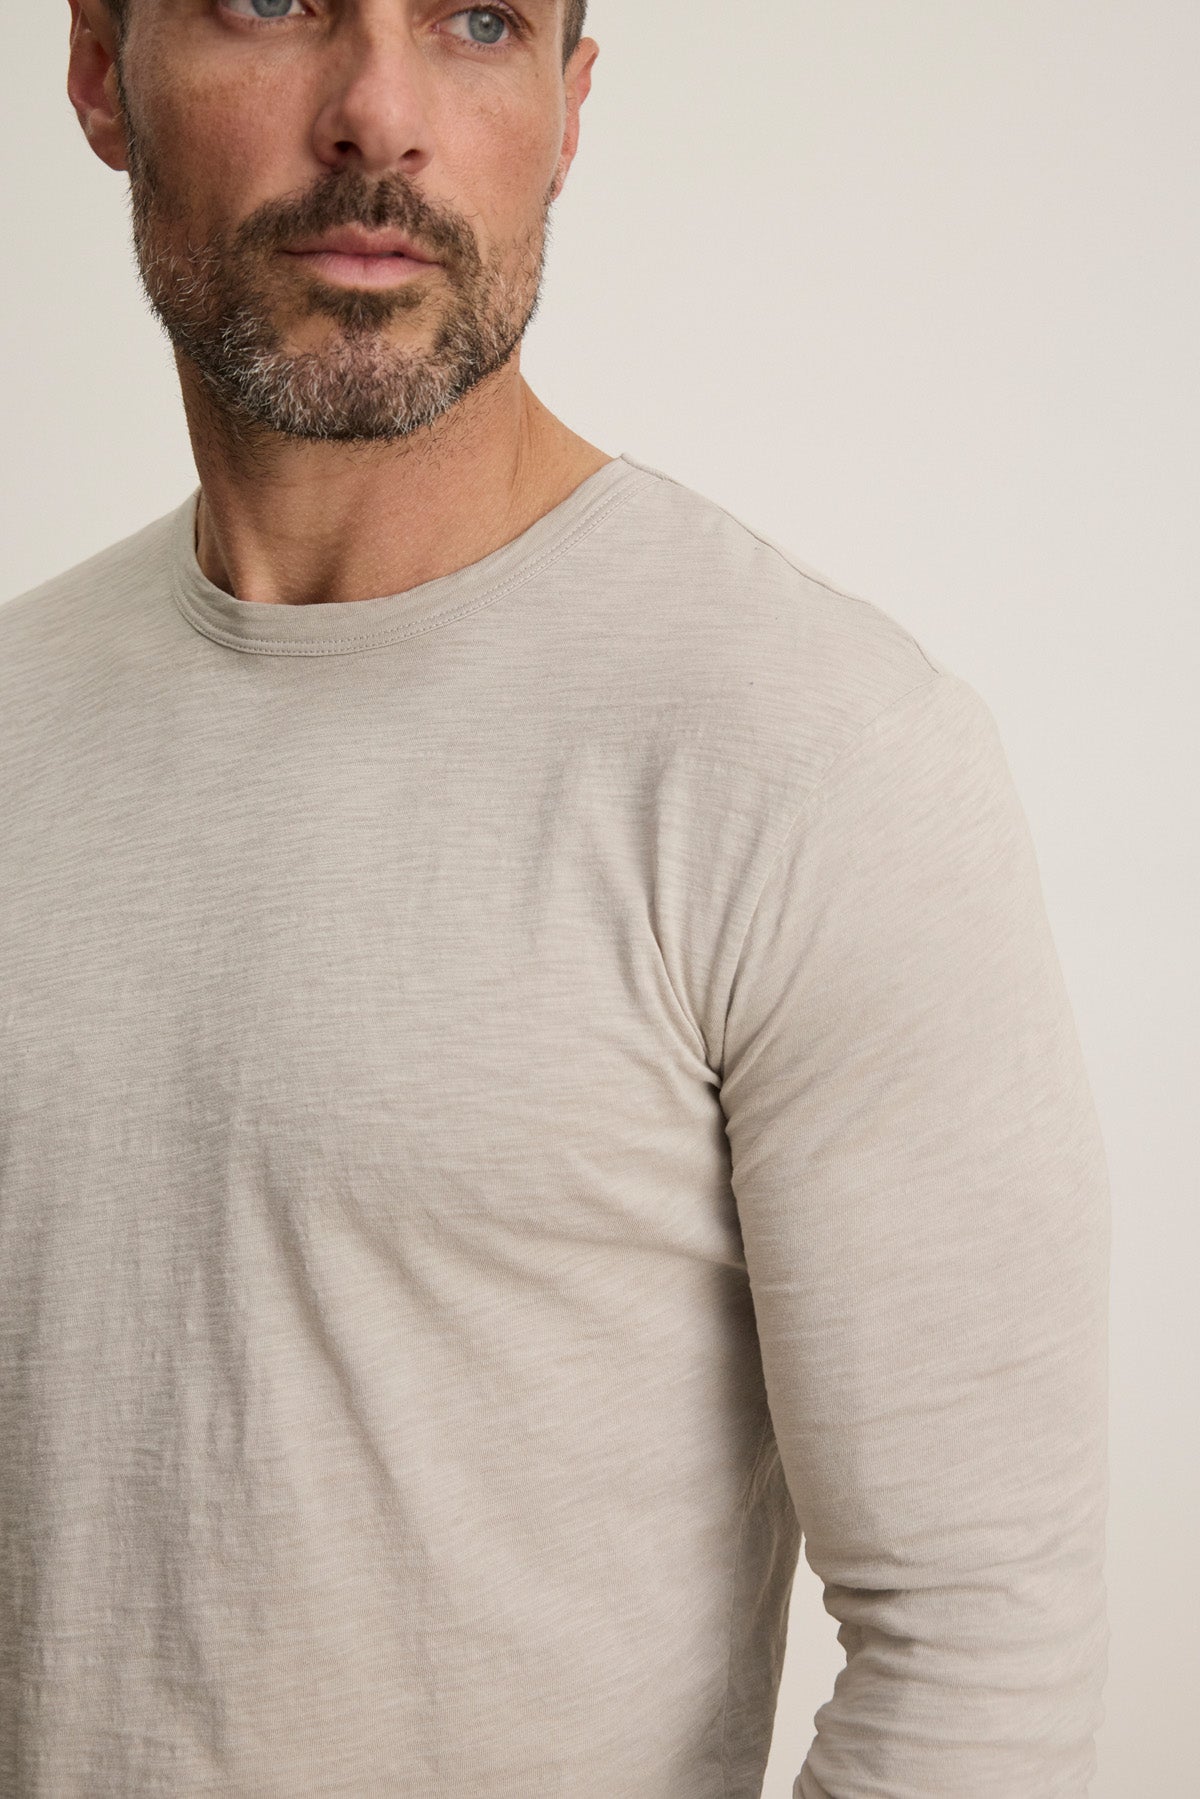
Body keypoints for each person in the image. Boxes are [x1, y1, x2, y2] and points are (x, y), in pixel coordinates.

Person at [0, 2, 1111, 1794]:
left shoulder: (809, 754)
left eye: (480, 23)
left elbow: (978, 1653)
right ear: (97, 73)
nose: (378, 116)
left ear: (571, 109)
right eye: (276, 1)